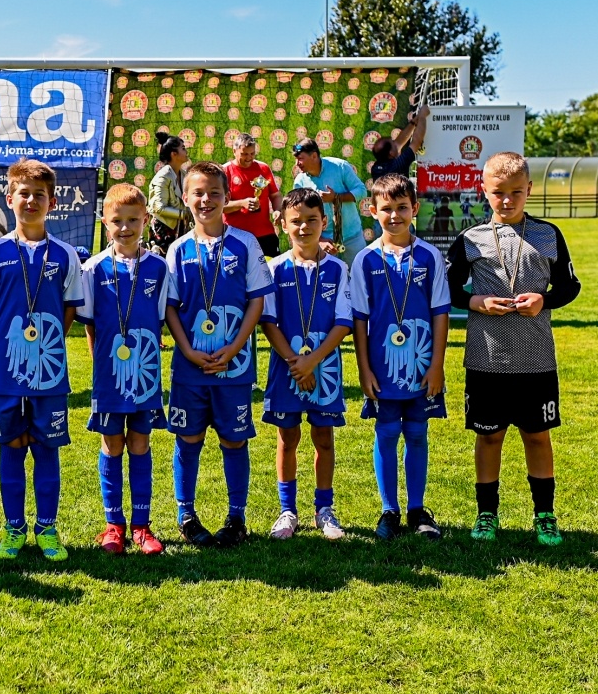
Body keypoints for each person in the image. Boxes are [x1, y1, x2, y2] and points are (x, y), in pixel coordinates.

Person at [446, 152, 582, 546]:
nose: (507, 200)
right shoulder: (470, 239)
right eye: (498, 192)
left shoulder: (548, 234)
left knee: (537, 436)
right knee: (489, 437)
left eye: (516, 192)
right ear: (483, 190)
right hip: (486, 358)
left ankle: (545, 515)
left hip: (535, 359)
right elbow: (448, 289)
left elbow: (570, 286)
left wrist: (544, 300)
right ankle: (486, 513)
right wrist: (476, 302)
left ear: (529, 190)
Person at [0, 159, 84, 561]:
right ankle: (14, 528)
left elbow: (69, 308)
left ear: (52, 202)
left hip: (48, 375)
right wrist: (9, 347)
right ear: (10, 199)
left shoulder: (66, 255)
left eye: (40, 195)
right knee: (11, 447)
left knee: (46, 447)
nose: (31, 201)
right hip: (6, 373)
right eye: (23, 193)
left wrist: (45, 347)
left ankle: (48, 528)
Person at [164, 161, 274, 547]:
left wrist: (236, 346)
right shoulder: (177, 249)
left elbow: (257, 301)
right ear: (185, 197)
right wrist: (187, 349)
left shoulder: (245, 244)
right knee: (188, 438)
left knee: (234, 440)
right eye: (198, 192)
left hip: (234, 366)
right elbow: (171, 308)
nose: (206, 199)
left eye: (214, 192)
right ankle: (186, 515)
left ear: (227, 197)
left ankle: (236, 517)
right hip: (190, 368)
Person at [347, 174, 451, 540]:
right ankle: (389, 510)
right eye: (386, 208)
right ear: (372, 211)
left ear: (415, 209)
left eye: (402, 207)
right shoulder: (364, 260)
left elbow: (440, 313)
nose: (394, 216)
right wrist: (364, 369)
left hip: (422, 366)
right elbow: (359, 319)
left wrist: (437, 365)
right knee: (388, 432)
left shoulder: (430, 256)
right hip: (382, 367)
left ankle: (417, 509)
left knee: (418, 433)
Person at [79, 184, 171, 555]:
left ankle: (142, 526)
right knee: (112, 443)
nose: (125, 228)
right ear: (105, 222)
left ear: (146, 220)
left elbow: (161, 320)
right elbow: (89, 325)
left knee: (140, 443)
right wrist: (100, 366)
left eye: (133, 220)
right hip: (109, 378)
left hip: (145, 377)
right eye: (117, 220)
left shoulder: (159, 268)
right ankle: (113, 525)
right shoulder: (93, 269)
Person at [258, 189, 351, 541]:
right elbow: (268, 322)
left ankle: (324, 509)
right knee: (287, 439)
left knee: (323, 437)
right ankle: (287, 510)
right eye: (295, 221)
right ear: (282, 225)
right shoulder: (274, 269)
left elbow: (343, 322)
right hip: (287, 368)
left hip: (324, 369)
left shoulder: (338, 269)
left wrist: (312, 361)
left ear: (324, 222)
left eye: (312, 220)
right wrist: (296, 363)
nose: (304, 227)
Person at [290, 140, 368, 254]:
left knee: (359, 266)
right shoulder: (300, 181)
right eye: (296, 159)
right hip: (325, 242)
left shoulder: (340, 166)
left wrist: (336, 197)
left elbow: (361, 191)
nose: (297, 163)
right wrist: (320, 240)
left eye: (300, 158)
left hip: (352, 237)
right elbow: (300, 214)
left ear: (314, 156)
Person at [221, 134, 281, 257]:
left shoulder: (263, 168)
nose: (249, 158)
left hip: (265, 234)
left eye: (252, 153)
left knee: (270, 268)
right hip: (235, 236)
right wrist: (242, 204)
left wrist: (278, 210)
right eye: (244, 154)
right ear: (234, 151)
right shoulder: (224, 171)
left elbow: (275, 195)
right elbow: (218, 206)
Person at [146, 135, 189, 255]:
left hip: (180, 228)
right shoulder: (162, 177)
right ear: (174, 154)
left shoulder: (184, 174)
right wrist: (185, 214)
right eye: (183, 148)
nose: (186, 151)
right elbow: (158, 208)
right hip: (163, 231)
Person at [369, 103, 430, 181]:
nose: (396, 142)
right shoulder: (397, 165)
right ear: (391, 153)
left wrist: (414, 122)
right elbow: (417, 141)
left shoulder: (376, 169)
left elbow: (399, 142)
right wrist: (423, 116)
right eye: (393, 143)